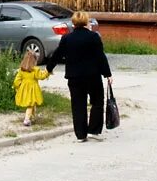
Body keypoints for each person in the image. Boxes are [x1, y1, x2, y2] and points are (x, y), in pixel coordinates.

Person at [45, 11, 112, 142]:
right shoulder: (94, 37)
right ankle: (93, 129)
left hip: (74, 77)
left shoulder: (67, 38)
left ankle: (81, 135)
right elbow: (100, 57)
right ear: (86, 22)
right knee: (97, 101)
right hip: (93, 76)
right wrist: (107, 74)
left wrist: (49, 68)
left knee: (78, 104)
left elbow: (57, 54)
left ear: (73, 23)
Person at [13, 49, 49, 126]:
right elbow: (41, 76)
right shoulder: (35, 70)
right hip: (32, 90)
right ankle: (27, 119)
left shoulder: (21, 70)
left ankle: (32, 117)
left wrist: (17, 87)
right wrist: (47, 72)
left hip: (24, 90)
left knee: (32, 104)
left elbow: (16, 80)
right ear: (34, 61)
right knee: (30, 105)